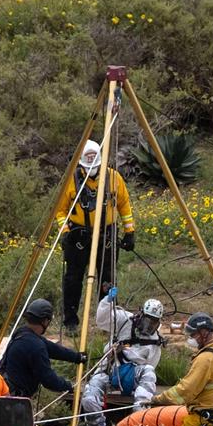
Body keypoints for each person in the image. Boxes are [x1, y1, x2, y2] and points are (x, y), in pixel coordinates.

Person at [55, 140, 136, 329]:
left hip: (106, 235)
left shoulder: (114, 178)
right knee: (73, 279)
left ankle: (107, 319)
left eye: (96, 165)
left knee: (107, 278)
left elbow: (124, 206)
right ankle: (71, 321)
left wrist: (129, 231)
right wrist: (66, 232)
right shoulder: (71, 181)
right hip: (78, 237)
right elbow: (60, 211)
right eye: (87, 166)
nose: (92, 169)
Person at [82, 287, 164, 426]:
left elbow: (151, 365)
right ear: (141, 314)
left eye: (153, 323)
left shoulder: (155, 342)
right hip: (111, 370)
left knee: (148, 373)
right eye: (147, 320)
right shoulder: (125, 320)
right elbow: (103, 320)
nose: (148, 326)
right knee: (89, 396)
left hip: (133, 375)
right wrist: (108, 301)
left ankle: (138, 425)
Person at [0, 298, 87, 399]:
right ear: (45, 321)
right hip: (15, 400)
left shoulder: (23, 333)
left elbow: (53, 349)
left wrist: (77, 357)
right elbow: (48, 380)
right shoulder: (35, 346)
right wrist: (68, 386)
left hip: (5, 390)